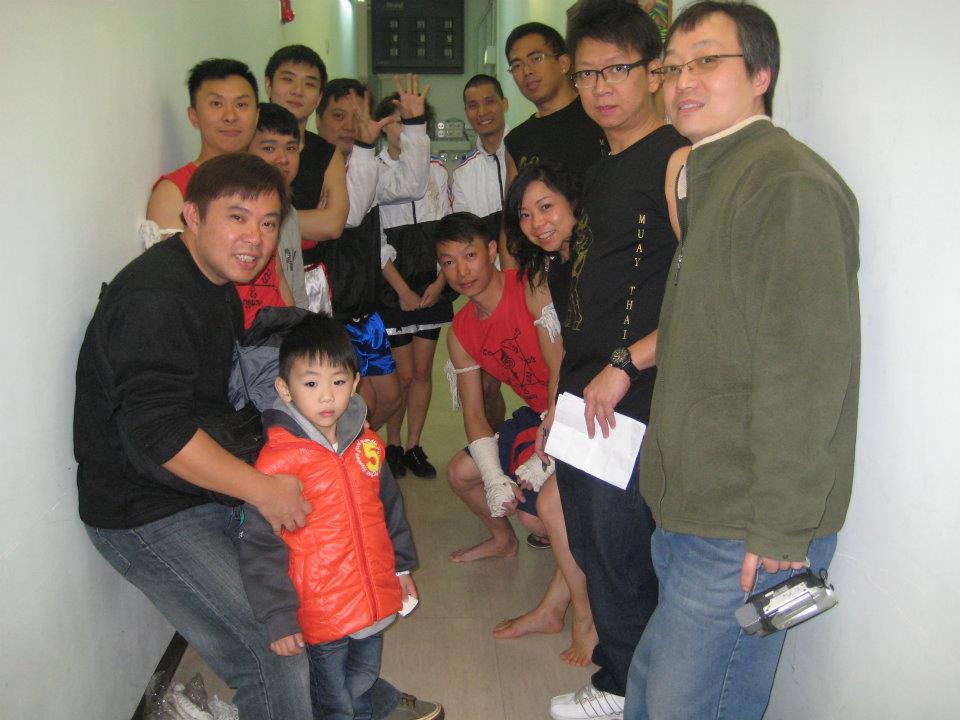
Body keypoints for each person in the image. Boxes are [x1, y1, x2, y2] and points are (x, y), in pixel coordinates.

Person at [625, 4, 860, 719]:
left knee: (686, 705)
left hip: (743, 524)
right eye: (672, 67)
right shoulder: (713, 172)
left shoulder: (785, 184)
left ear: (761, 74)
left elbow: (806, 371)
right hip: (695, 506)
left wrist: (783, 528)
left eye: (706, 60)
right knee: (652, 690)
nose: (682, 81)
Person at [76, 154, 315, 719]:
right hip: (144, 509)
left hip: (194, 485)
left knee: (313, 591)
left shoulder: (215, 282)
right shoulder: (155, 297)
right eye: (236, 217)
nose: (255, 239)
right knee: (275, 645)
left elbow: (217, 399)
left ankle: (357, 699)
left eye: (267, 222)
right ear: (191, 215)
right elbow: (161, 435)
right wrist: (262, 490)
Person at [546, 3, 690, 719]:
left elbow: (705, 284)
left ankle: (632, 689)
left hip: (632, 388)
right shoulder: (602, 168)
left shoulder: (677, 160)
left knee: (621, 543)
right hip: (587, 385)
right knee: (591, 540)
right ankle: (621, 679)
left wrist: (630, 362)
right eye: (587, 75)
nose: (601, 87)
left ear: (655, 72)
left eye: (618, 69)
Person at [239, 315, 419, 720]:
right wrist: (278, 616)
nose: (326, 397)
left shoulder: (367, 445)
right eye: (311, 384)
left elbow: (389, 508)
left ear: (355, 383)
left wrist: (401, 568)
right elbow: (260, 547)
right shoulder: (276, 463)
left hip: (371, 596)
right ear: (284, 389)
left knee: (364, 679)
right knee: (333, 698)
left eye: (338, 382)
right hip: (319, 609)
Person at [484, 162, 598, 667]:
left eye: (546, 207)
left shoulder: (603, 259)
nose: (537, 223)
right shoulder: (544, 273)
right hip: (578, 401)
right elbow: (558, 361)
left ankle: (582, 619)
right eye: (525, 215)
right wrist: (551, 419)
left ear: (574, 203)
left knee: (553, 508)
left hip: (622, 397)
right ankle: (558, 609)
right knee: (551, 508)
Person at [438, 212, 555, 561]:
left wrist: (554, 449)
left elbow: (570, 370)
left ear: (491, 251)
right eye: (449, 262)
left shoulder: (532, 286)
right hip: (536, 414)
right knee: (460, 473)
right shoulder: (460, 332)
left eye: (470, 255)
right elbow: (474, 414)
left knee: (536, 519)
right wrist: (492, 478)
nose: (462, 272)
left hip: (575, 408)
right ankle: (503, 540)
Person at [311, 78, 403, 431]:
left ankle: (349, 453)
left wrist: (413, 129)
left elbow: (409, 186)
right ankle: (344, 455)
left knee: (390, 397)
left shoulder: (367, 165)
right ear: (318, 118)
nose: (350, 125)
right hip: (333, 312)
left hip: (365, 305)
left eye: (358, 117)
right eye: (338, 116)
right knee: (362, 403)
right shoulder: (311, 171)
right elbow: (347, 218)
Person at [375, 76, 453, 480]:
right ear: (382, 125)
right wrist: (402, 289)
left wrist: (441, 282)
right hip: (393, 289)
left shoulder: (437, 171)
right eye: (394, 119)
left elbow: (447, 231)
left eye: (409, 119)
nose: (401, 127)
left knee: (422, 372)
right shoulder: (372, 171)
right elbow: (374, 241)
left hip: (431, 285)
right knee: (401, 376)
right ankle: (391, 444)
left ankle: (413, 446)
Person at [451, 73, 511, 430]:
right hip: (491, 293)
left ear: (504, 103)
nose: (482, 111)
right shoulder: (464, 175)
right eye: (473, 105)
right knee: (487, 385)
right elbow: (468, 243)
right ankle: (498, 445)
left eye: (489, 101)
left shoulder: (525, 153)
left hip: (536, 285)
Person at [146, 59, 260, 231]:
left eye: (241, 104)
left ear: (257, 116)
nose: (230, 116)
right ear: (194, 116)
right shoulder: (174, 194)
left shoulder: (268, 182)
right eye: (216, 104)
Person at [264, 44, 348, 246]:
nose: (298, 91)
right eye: (288, 79)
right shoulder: (248, 142)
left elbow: (333, 225)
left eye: (309, 84)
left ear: (319, 98)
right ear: (268, 86)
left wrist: (262, 219)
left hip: (312, 264)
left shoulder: (327, 153)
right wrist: (310, 221)